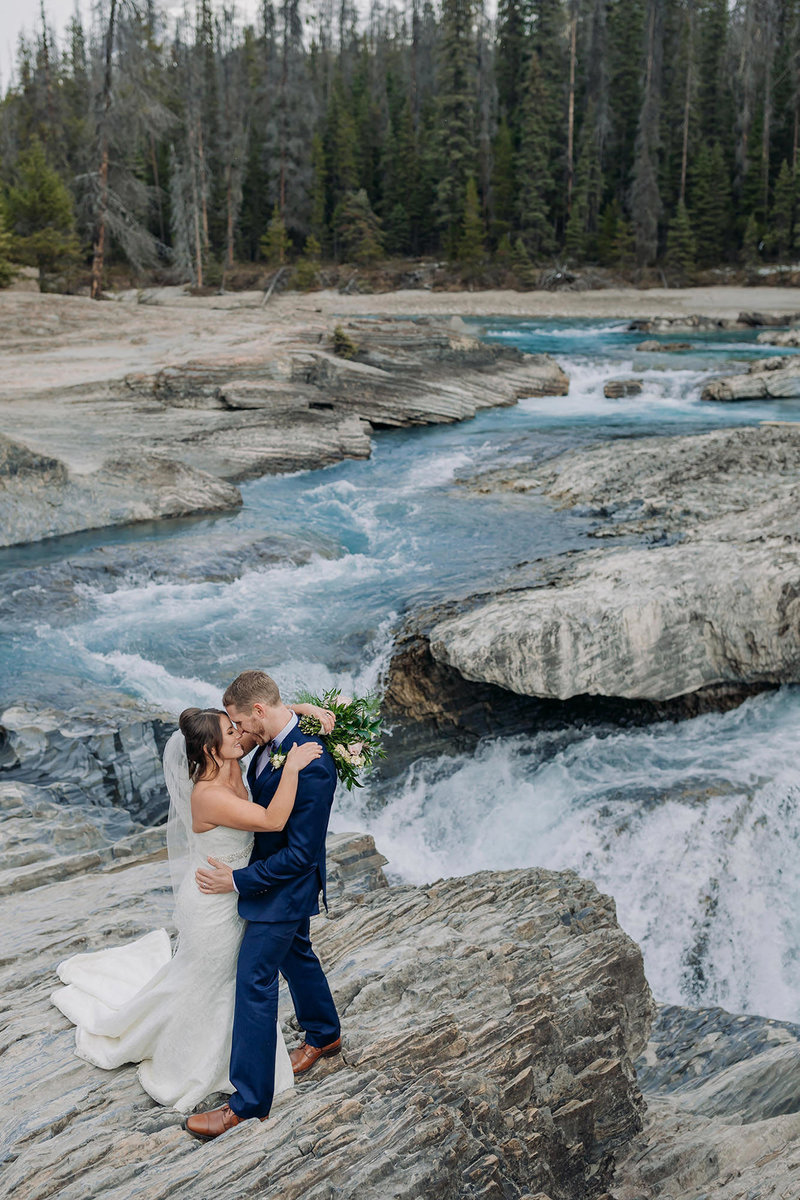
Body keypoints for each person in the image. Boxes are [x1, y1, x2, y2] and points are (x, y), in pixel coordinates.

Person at [50, 698, 333, 1114]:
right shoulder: (208, 794)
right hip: (214, 898)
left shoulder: (236, 759)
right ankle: (206, 1064)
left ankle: (318, 1034)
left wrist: (297, 710)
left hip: (243, 887)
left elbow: (261, 720)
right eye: (230, 732)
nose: (241, 733)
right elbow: (272, 821)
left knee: (274, 963)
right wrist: (291, 767)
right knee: (220, 981)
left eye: (238, 727)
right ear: (210, 750)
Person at [185, 669, 341, 1142]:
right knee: (297, 954)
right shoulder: (266, 736)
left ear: (255, 714)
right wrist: (301, 710)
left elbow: (299, 854)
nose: (239, 734)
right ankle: (324, 1033)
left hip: (284, 887)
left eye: (238, 723)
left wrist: (238, 880)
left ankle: (249, 1103)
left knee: (255, 980)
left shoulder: (311, 764)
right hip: (269, 879)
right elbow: (253, 724)